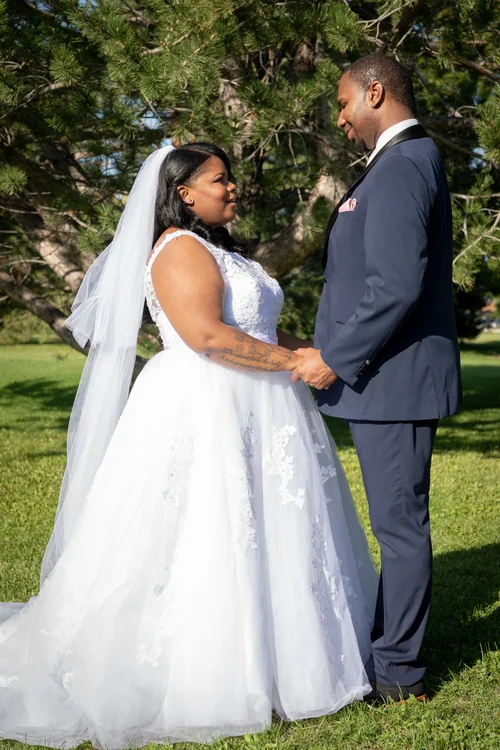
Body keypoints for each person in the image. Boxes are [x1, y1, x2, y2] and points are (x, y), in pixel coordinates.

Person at [0, 142, 378, 747]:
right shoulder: (178, 248)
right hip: (207, 404)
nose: (233, 188)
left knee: (270, 528)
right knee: (205, 528)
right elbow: (207, 336)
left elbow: (255, 326)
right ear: (184, 193)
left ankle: (292, 659)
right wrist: (295, 365)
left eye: (230, 179)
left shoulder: (222, 250)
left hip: (262, 405)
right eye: (220, 179)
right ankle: (208, 672)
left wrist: (313, 351)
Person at [293, 55, 462, 702]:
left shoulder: (402, 165)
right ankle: (391, 653)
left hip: (393, 382)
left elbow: (394, 286)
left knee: (399, 528)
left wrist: (333, 357)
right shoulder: (399, 163)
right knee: (397, 525)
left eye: (343, 103)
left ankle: (398, 673)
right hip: (388, 379)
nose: (340, 118)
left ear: (375, 92)